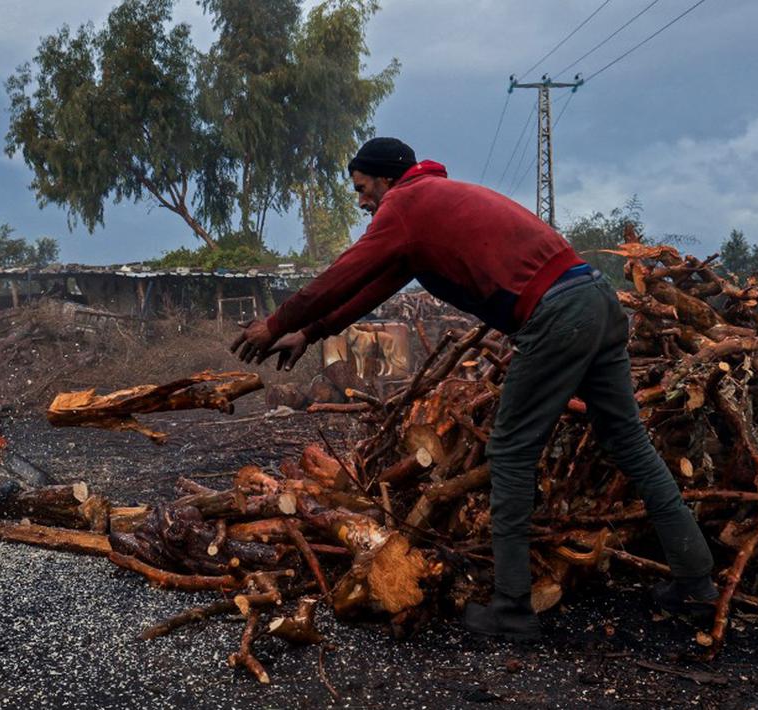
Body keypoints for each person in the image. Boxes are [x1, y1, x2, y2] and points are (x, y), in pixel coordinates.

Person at [232, 138, 716, 640]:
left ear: (384, 179)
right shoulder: (427, 207)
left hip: (558, 314)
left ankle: (511, 607)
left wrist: (275, 322)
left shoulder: (405, 205)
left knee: (509, 450)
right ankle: (696, 584)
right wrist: (310, 331)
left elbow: (343, 273)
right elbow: (374, 285)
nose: (361, 202)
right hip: (594, 298)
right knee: (630, 442)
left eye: (361, 189)